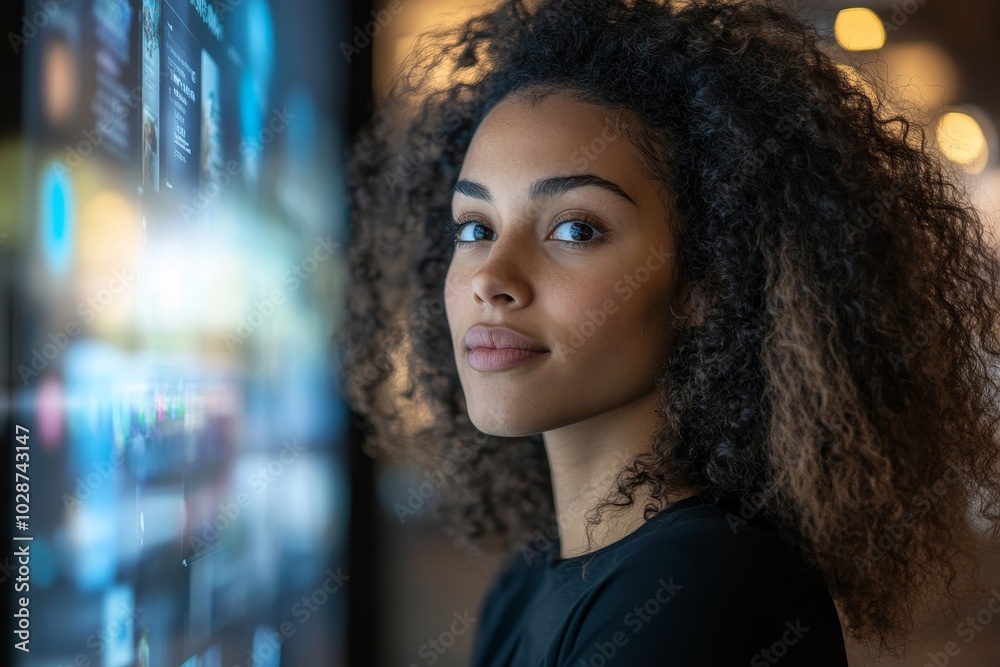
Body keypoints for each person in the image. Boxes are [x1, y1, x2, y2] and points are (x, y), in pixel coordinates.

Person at [335, 0, 1000, 664]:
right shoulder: (526, 581)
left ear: (705, 280)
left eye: (575, 229)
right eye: (475, 228)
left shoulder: (703, 589)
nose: (491, 277)